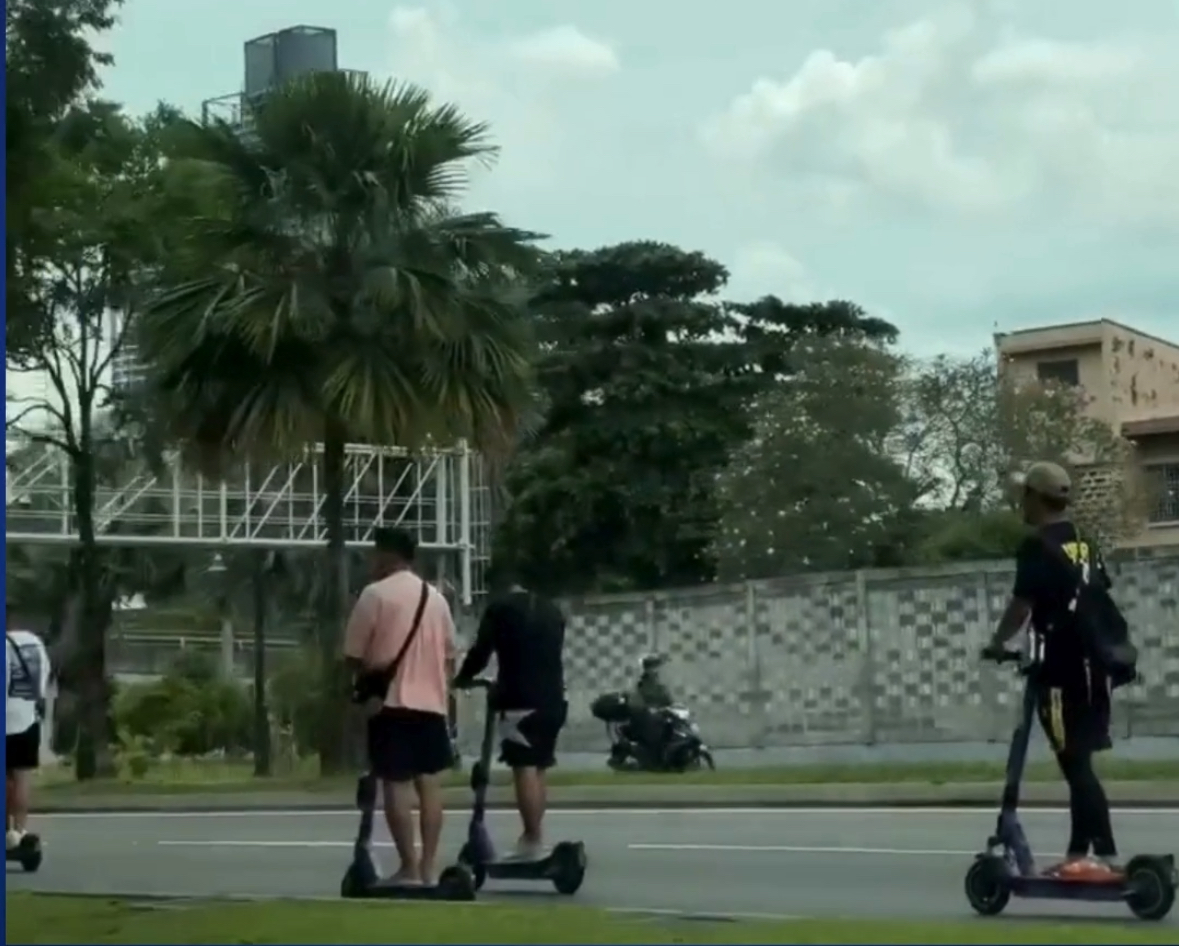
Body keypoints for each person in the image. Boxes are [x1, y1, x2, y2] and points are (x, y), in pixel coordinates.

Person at [982, 461, 1120, 879]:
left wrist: (997, 643)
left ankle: (1106, 853)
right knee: (1081, 760)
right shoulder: (1084, 541)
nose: (1019, 502)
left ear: (1035, 499)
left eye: (1023, 495)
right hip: (1097, 665)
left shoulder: (1036, 545)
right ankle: (1080, 852)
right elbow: (1097, 590)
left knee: (1074, 762)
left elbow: (1022, 605)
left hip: (1059, 671)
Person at [343, 527, 457, 886]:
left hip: (390, 705)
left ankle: (407, 867)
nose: (371, 560)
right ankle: (428, 868)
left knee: (395, 785)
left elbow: (352, 655)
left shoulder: (373, 595)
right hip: (432, 705)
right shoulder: (436, 598)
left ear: (388, 555)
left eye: (375, 553)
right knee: (430, 786)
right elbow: (450, 656)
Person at [454, 579, 567, 861]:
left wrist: (463, 678)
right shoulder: (552, 610)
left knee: (524, 766)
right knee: (540, 765)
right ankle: (535, 835)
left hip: (520, 700)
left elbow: (481, 651)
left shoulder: (501, 608)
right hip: (553, 698)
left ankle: (532, 838)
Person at [6, 606, 51, 851]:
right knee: (21, 776)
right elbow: (42, 680)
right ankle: (20, 831)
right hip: (27, 717)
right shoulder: (35, 643)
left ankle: (5, 830)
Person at [626, 654, 673, 760]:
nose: (656, 670)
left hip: (660, 715)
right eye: (654, 667)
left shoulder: (658, 684)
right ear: (648, 669)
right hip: (648, 718)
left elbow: (667, 699)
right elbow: (639, 701)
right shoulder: (643, 684)